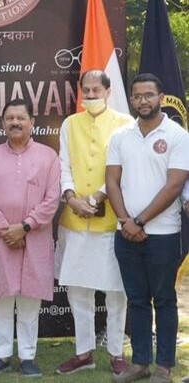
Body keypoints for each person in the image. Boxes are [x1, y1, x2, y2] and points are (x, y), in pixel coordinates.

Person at [106, 73, 189, 383]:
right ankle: (140, 363)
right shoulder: (120, 136)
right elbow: (112, 180)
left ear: (161, 97)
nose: (143, 100)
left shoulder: (178, 136)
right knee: (137, 300)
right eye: (137, 96)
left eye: (148, 95)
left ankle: (164, 367)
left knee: (164, 298)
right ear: (131, 99)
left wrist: (139, 222)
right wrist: (126, 220)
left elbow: (175, 185)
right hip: (125, 233)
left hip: (163, 235)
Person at [0, 98, 60, 378]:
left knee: (28, 300)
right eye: (10, 118)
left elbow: (52, 199)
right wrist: (6, 229)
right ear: (3, 123)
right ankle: (0, 355)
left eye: (21, 118)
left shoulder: (49, 157)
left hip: (34, 240)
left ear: (32, 122)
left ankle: (27, 357)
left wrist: (24, 226)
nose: (15, 122)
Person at [55, 70, 133, 377]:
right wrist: (71, 197)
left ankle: (116, 352)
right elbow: (64, 164)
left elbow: (123, 167)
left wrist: (99, 197)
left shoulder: (125, 125)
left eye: (95, 90)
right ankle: (83, 352)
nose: (89, 95)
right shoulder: (69, 124)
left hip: (112, 218)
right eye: (85, 91)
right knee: (78, 290)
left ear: (108, 91)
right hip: (74, 219)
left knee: (116, 291)